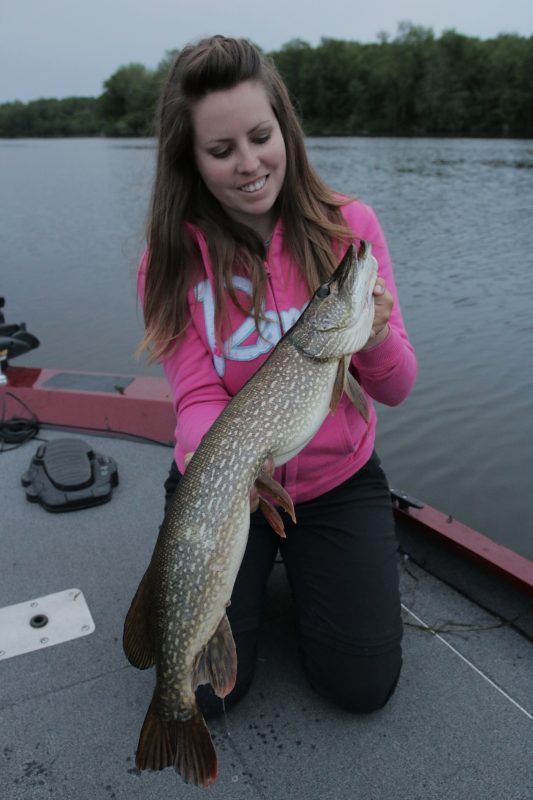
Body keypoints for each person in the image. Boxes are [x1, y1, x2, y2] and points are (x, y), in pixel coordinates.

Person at [138, 35, 417, 717]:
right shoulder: (169, 260)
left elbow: (396, 386)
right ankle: (254, 574)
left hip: (336, 482)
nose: (249, 164)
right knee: (206, 696)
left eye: (260, 137)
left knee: (359, 685)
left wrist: (373, 334)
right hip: (228, 485)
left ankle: (303, 575)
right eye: (221, 150)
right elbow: (198, 393)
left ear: (283, 129)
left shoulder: (349, 228)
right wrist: (221, 461)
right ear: (190, 159)